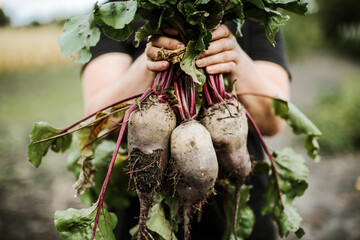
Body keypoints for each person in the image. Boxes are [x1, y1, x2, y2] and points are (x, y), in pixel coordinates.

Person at [81, 5, 290, 240]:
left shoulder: (250, 7)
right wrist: (150, 61)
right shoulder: (116, 10)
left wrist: (236, 60)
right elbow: (95, 121)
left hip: (241, 208)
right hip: (137, 217)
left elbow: (275, 121)